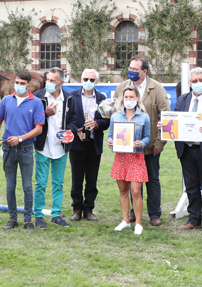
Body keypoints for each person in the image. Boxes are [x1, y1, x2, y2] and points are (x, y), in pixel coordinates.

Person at [160, 67, 202, 235]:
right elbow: (175, 120)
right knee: (190, 186)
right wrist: (165, 125)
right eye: (195, 81)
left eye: (201, 80)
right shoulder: (183, 99)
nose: (198, 83)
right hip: (187, 149)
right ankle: (194, 220)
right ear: (189, 83)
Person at [113, 55, 170, 226]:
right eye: (129, 68)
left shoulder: (157, 88)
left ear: (144, 72)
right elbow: (115, 113)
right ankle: (132, 213)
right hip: (128, 148)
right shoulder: (122, 87)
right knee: (131, 180)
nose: (131, 72)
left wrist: (159, 142)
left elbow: (165, 116)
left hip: (150, 146)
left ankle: (154, 214)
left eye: (135, 69)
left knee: (152, 179)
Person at [0, 69, 45, 232]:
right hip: (8, 147)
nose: (19, 86)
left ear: (29, 85)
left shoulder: (36, 102)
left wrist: (21, 138)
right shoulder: (6, 100)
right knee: (10, 186)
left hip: (26, 148)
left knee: (27, 186)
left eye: (22, 84)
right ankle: (12, 218)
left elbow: (38, 129)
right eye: (17, 83)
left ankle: (28, 220)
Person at [32, 67, 78, 229]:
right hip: (42, 145)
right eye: (47, 80)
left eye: (53, 81)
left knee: (58, 183)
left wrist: (70, 130)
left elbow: (74, 120)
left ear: (61, 83)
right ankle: (38, 215)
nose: (49, 83)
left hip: (61, 146)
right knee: (41, 183)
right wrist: (45, 113)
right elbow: (31, 120)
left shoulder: (70, 99)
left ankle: (56, 214)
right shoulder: (38, 97)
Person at [108, 86, 151, 235]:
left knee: (136, 191)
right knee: (122, 190)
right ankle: (125, 221)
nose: (128, 100)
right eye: (126, 97)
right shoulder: (115, 117)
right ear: (122, 99)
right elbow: (110, 136)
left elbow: (147, 137)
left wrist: (142, 143)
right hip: (120, 157)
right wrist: (110, 142)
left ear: (137, 98)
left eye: (131, 97)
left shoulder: (144, 117)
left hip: (136, 157)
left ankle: (138, 223)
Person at [69, 69, 110, 222]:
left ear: (97, 82)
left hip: (94, 144)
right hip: (77, 144)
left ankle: (89, 209)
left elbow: (107, 121)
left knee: (92, 179)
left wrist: (97, 123)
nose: (88, 82)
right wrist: (76, 130)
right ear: (81, 79)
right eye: (86, 78)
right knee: (77, 178)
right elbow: (68, 120)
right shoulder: (72, 96)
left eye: (92, 80)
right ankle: (77, 209)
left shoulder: (102, 98)